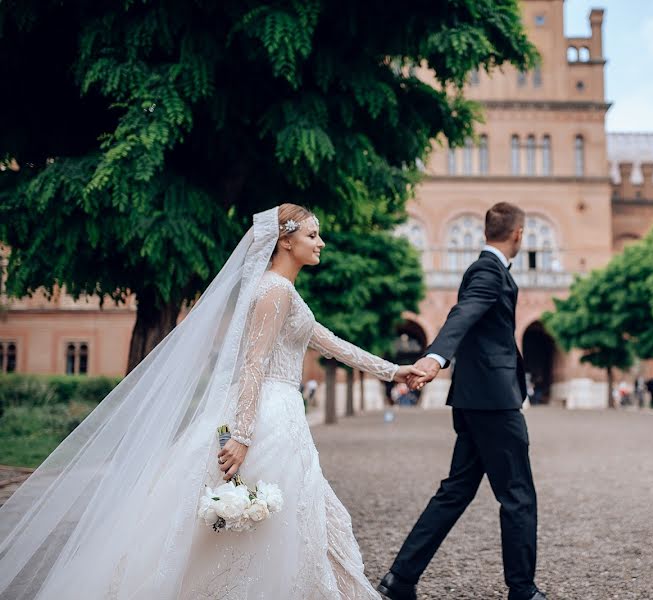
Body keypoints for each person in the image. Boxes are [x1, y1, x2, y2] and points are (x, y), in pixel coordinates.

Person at [0, 205, 425, 599]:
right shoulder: (274, 291)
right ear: (286, 241)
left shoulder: (287, 293)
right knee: (271, 518)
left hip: (284, 414)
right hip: (267, 418)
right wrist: (241, 435)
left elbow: (330, 343)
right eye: (313, 235)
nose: (321, 243)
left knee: (300, 513)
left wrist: (394, 371)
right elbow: (254, 364)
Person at [378, 202, 546, 600]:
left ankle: (400, 579)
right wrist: (435, 358)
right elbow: (463, 314)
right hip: (493, 402)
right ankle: (522, 590)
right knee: (518, 495)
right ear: (518, 235)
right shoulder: (489, 272)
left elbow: (471, 317)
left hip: (476, 399)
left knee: (455, 491)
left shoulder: (482, 269)